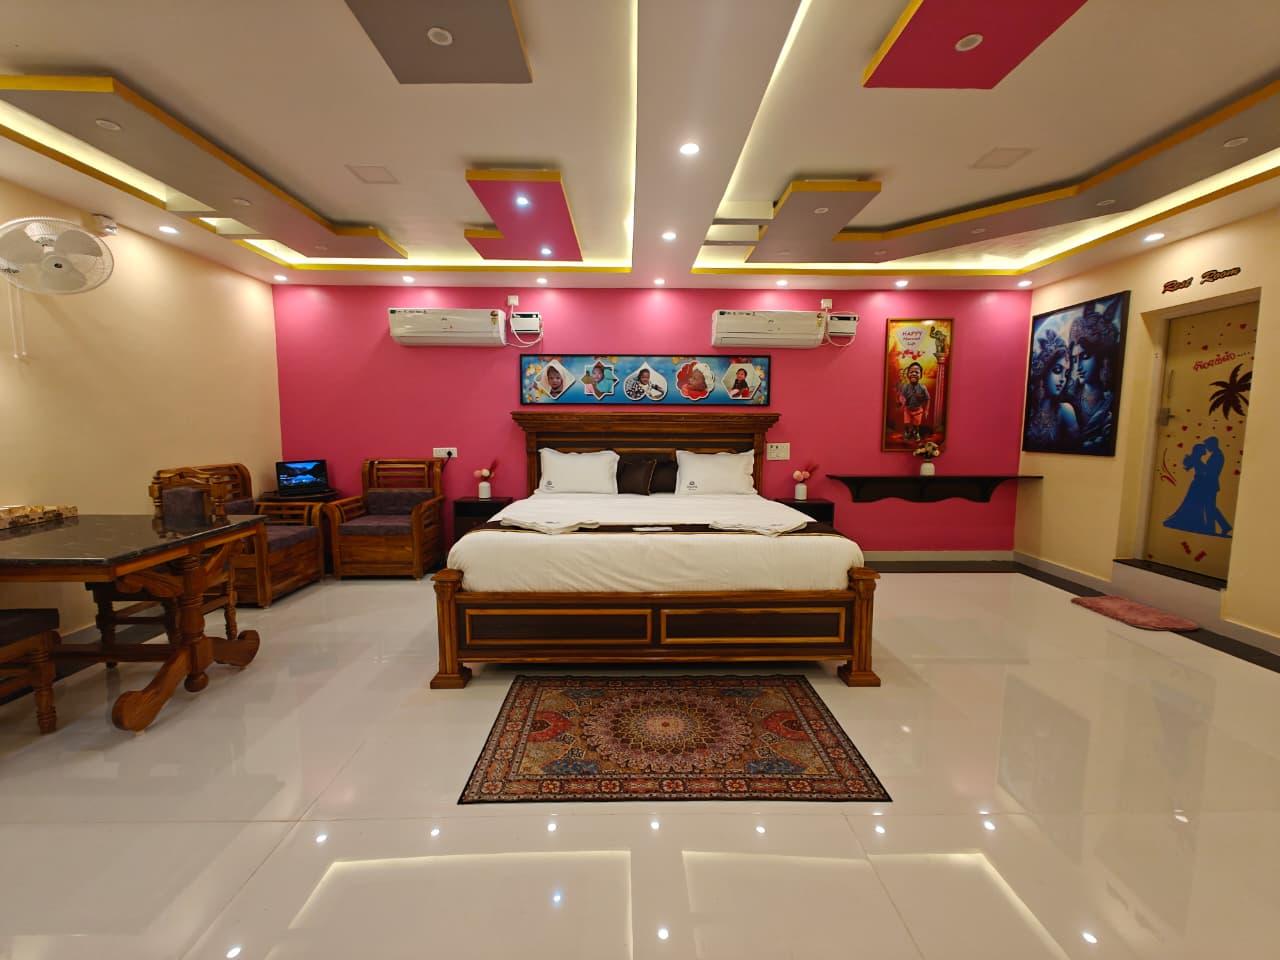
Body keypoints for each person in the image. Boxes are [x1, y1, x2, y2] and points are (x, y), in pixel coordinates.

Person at [1067, 299, 1122, 451]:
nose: (1078, 366)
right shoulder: (1069, 399)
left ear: (1101, 358)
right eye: (1074, 359)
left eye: (1085, 357)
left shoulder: (1111, 402)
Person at [1023, 329, 1080, 450]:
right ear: (1044, 371)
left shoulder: (1065, 411)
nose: (1063, 379)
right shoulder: (1027, 408)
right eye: (1058, 370)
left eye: (1066, 373)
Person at [1164, 436, 1232, 537]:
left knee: (1209, 507)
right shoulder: (1215, 455)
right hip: (1205, 484)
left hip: (1209, 484)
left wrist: (1199, 465)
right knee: (1209, 506)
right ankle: (1216, 527)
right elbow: (1203, 469)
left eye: (1208, 445)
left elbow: (1210, 471)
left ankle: (1216, 527)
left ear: (1213, 444)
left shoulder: (1217, 456)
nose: (1207, 448)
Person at [896, 362, 930, 442]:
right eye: (911, 372)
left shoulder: (923, 388)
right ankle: (907, 432)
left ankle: (916, 432)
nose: (914, 374)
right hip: (907, 410)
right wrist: (901, 402)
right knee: (906, 423)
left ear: (921, 375)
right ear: (908, 374)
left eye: (917, 372)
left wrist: (926, 410)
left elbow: (928, 398)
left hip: (918, 410)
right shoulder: (905, 387)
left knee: (916, 424)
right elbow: (902, 396)